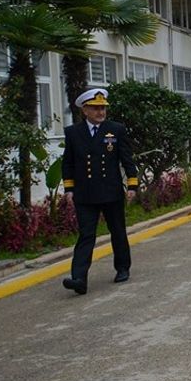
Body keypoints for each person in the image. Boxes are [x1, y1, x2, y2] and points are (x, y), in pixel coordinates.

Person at [60, 88, 139, 295]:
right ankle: (79, 278)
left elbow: (127, 159)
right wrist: (69, 189)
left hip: (110, 191)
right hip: (85, 194)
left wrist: (132, 184)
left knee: (118, 231)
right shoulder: (73, 133)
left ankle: (122, 268)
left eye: (103, 108)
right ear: (85, 110)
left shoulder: (116, 130)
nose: (100, 112)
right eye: (96, 108)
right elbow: (68, 163)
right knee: (86, 235)